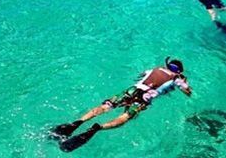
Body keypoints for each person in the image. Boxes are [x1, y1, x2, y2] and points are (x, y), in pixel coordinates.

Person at [53, 57, 192, 152]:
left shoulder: (153, 69)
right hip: (143, 99)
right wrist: (184, 82)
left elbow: (139, 76)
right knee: (124, 117)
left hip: (131, 90)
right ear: (179, 71)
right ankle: (97, 128)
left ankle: (78, 122)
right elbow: (188, 93)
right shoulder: (177, 79)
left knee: (105, 107)